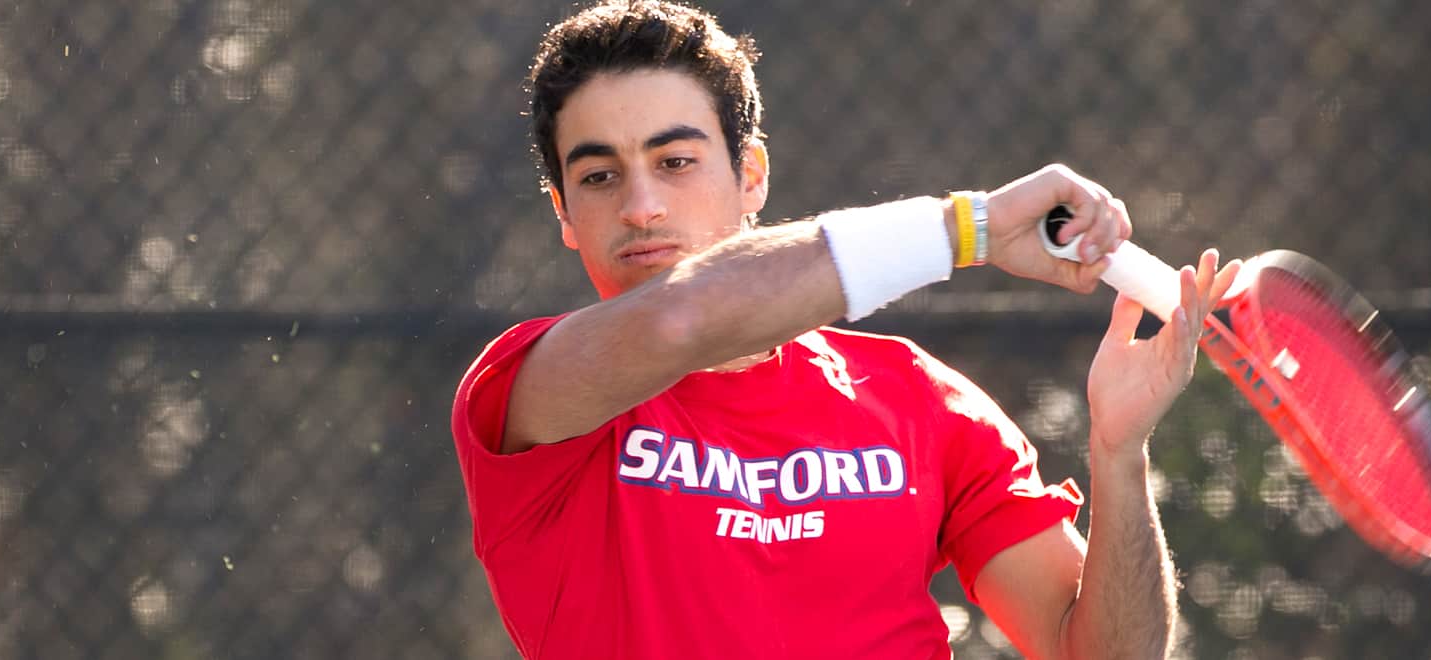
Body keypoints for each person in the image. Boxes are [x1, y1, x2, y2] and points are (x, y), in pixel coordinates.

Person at [449, 2, 1239, 658]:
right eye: (598, 176)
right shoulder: (529, 395)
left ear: (750, 175)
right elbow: (680, 320)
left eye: (677, 161)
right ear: (564, 215)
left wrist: (1119, 454)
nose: (641, 205)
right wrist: (970, 230)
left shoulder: (922, 400)